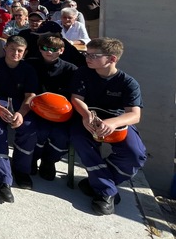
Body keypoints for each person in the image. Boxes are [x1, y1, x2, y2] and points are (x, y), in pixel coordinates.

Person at [70, 38, 147, 216]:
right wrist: (86, 115)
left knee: (135, 154)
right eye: (86, 54)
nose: (87, 58)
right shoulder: (83, 73)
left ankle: (98, 184)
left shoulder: (128, 83)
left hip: (116, 122)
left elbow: (134, 115)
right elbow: (76, 98)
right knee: (79, 139)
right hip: (87, 118)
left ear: (112, 59)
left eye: (93, 55)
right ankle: (107, 193)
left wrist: (112, 123)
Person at [0, 36, 39, 203]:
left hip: (20, 104)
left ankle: (21, 169)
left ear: (25, 53)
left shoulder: (29, 70)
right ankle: (3, 180)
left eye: (20, 51)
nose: (15, 53)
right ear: (6, 48)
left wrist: (21, 114)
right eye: (12, 49)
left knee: (29, 130)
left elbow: (30, 96)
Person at [27, 34, 77, 180]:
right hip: (36, 109)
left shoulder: (71, 69)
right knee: (38, 132)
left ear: (61, 50)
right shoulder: (31, 64)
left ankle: (49, 161)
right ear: (40, 49)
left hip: (61, 113)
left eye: (53, 49)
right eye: (45, 48)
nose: (49, 52)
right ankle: (33, 158)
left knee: (61, 136)